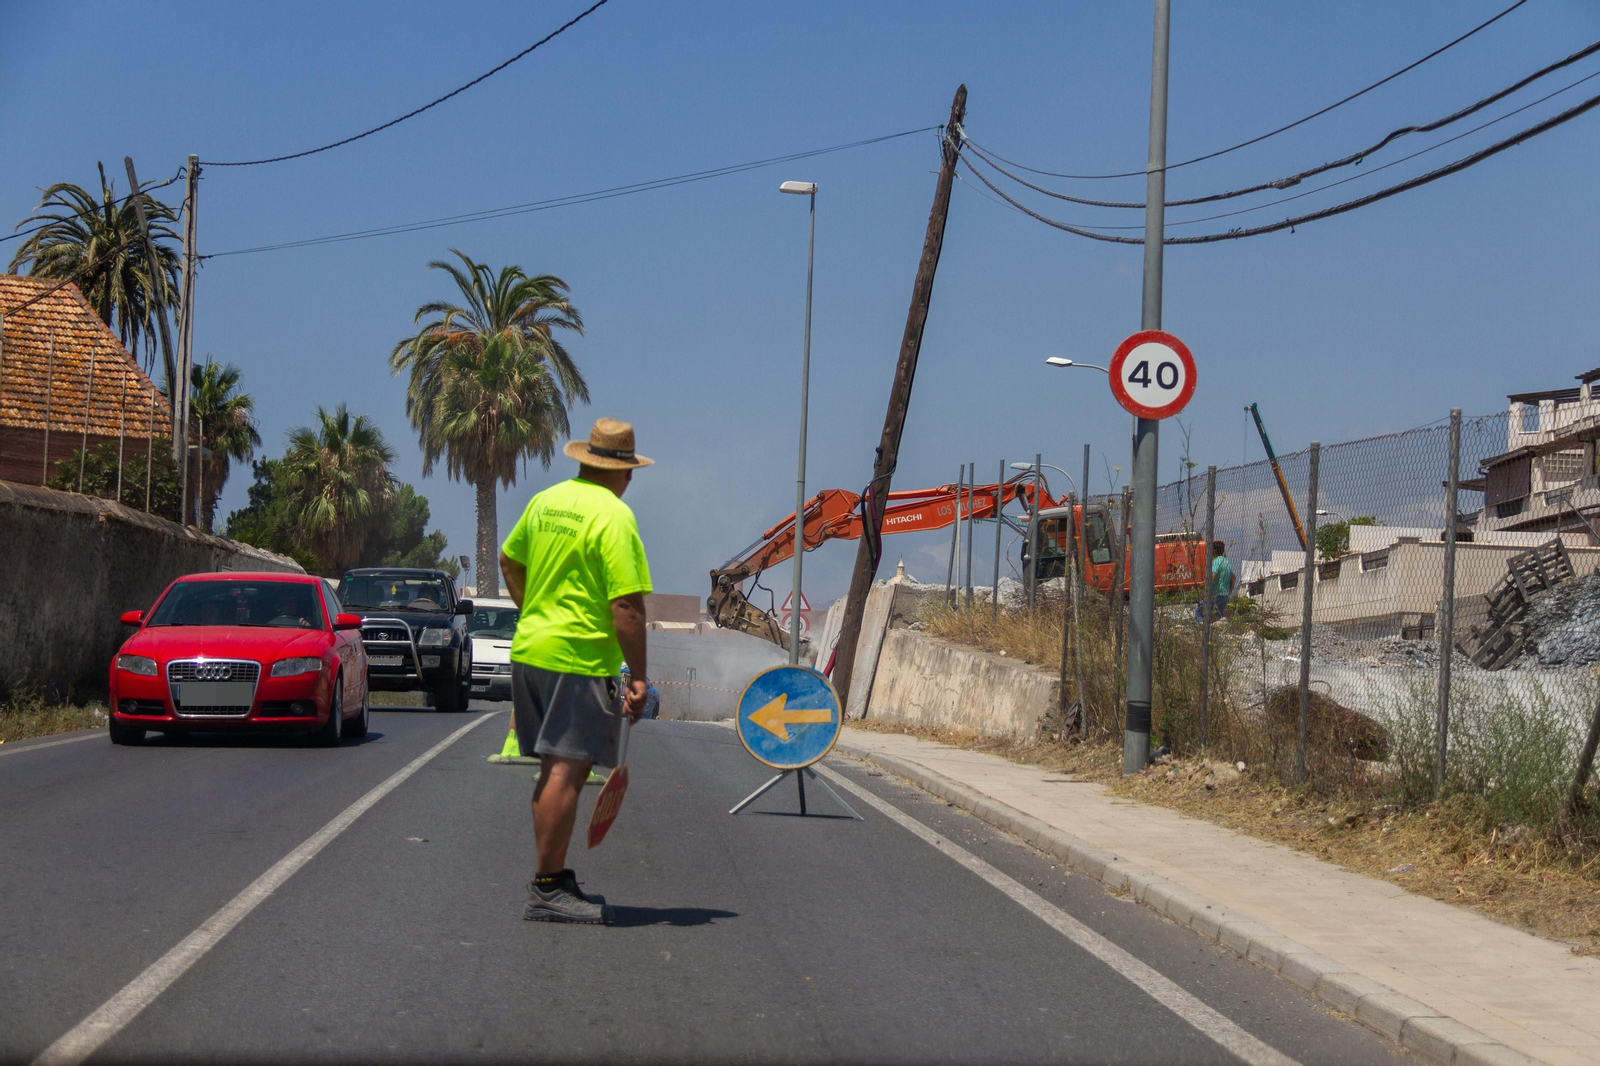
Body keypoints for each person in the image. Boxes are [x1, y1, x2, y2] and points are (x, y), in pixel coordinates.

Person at [499, 418, 654, 924]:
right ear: (624, 471)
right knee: (567, 767)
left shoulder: (546, 501)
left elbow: (509, 560)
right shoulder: (615, 516)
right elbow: (627, 607)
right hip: (578, 659)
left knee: (553, 766)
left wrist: (534, 612)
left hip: (530, 652)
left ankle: (556, 875)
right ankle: (546, 888)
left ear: (585, 460)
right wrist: (637, 677)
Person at [1197, 539, 1234, 622]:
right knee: (1218, 617)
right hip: (1224, 595)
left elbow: (1213, 576)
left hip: (1215, 594)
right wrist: (1229, 590)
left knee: (1199, 611)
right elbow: (1233, 577)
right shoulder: (1226, 562)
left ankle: (1201, 627)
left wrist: (1205, 591)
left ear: (1213, 550)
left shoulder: (1216, 562)